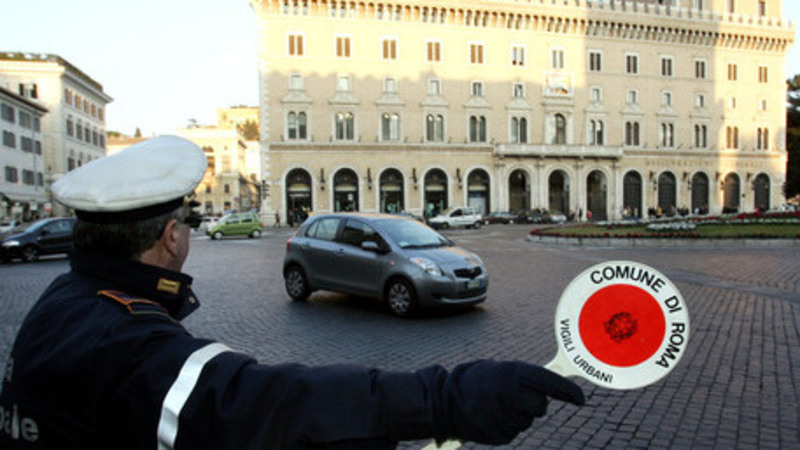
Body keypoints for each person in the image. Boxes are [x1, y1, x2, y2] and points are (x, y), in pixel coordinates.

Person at [0, 136, 584, 449]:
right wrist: (446, 399)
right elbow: (266, 403)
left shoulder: (61, 303)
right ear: (171, 236)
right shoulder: (128, 340)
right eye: (190, 224)